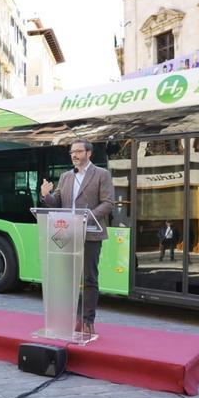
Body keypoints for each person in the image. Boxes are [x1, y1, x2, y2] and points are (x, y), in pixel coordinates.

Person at [41, 139, 115, 335]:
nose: (74, 155)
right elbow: (56, 201)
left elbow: (108, 203)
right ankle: (71, 318)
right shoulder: (65, 177)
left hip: (90, 232)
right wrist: (46, 195)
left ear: (89, 153)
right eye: (72, 152)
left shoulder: (102, 174)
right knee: (68, 279)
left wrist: (86, 217)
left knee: (89, 278)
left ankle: (87, 320)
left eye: (78, 152)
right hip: (67, 233)